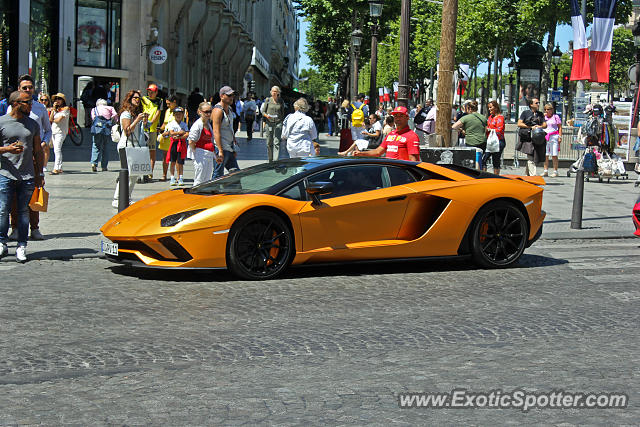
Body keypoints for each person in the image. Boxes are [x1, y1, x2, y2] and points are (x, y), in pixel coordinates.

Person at [0, 91, 45, 262]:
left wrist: (40, 173)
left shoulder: (32, 124)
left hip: (27, 176)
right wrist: (7, 149)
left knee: (24, 212)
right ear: (16, 103)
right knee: (3, 210)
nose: (31, 105)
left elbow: (38, 150)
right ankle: (2, 242)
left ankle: (22, 245)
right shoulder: (2, 122)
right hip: (5, 174)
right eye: (28, 102)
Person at [6, 74, 52, 241]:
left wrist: (44, 143)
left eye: (30, 88)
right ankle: (15, 228)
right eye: (24, 88)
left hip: (34, 155)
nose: (27, 90)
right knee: (13, 196)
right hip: (15, 156)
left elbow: (48, 129)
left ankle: (35, 227)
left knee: (34, 192)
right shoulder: (10, 107)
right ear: (19, 89)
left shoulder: (39, 108)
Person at [112, 90, 147, 209]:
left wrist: (143, 122)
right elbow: (127, 131)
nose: (137, 100)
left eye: (139, 98)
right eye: (135, 98)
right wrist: (137, 120)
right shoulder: (126, 114)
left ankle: (126, 197)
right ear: (129, 99)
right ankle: (118, 199)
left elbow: (140, 132)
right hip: (126, 145)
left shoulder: (135, 113)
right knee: (126, 173)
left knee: (134, 174)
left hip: (135, 145)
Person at [353, 106, 420, 161]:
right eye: (396, 116)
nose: (398, 119)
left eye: (401, 116)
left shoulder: (412, 136)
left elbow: (413, 161)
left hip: (402, 175)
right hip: (388, 174)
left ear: (407, 117)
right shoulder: (391, 134)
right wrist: (361, 153)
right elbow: (378, 152)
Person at [212, 86, 239, 179]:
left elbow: (230, 128)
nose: (232, 97)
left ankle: (234, 192)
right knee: (217, 174)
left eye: (232, 95)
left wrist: (234, 144)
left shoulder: (230, 110)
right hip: (221, 148)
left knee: (236, 174)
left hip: (229, 147)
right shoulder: (217, 111)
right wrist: (220, 150)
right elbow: (216, 131)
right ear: (222, 96)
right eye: (229, 95)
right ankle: (211, 192)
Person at [188, 102, 216, 186]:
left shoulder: (208, 124)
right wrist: (196, 152)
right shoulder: (197, 125)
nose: (208, 114)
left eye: (210, 111)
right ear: (199, 112)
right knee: (199, 180)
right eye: (206, 112)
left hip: (209, 154)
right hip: (201, 154)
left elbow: (210, 141)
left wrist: (215, 156)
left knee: (207, 180)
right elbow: (191, 141)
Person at [516, 98, 547, 176]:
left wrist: (538, 126)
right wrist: (529, 127)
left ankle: (527, 174)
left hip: (537, 138)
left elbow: (545, 125)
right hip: (527, 137)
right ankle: (533, 175)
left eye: (538, 102)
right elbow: (519, 123)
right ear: (531, 104)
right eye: (536, 103)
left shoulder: (540, 114)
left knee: (533, 155)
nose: (538, 104)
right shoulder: (525, 113)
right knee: (530, 155)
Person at [452, 100, 487, 167]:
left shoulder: (466, 118)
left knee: (472, 161)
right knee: (480, 160)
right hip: (483, 142)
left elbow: (454, 127)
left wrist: (461, 130)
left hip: (471, 142)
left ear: (469, 108)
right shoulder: (483, 117)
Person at [141, 83, 163, 181]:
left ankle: (150, 172)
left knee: (152, 151)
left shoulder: (159, 101)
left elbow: (158, 112)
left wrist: (151, 122)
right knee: (142, 151)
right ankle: (142, 172)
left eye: (152, 92)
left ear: (156, 92)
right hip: (143, 128)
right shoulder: (143, 99)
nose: (150, 93)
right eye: (149, 91)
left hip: (153, 129)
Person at [90, 98, 117, 172]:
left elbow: (93, 118)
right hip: (107, 129)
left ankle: (94, 163)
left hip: (97, 129)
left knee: (95, 145)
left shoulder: (94, 109)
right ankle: (104, 166)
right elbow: (115, 116)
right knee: (106, 147)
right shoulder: (110, 108)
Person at [164, 106, 189, 186]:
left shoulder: (184, 124)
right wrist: (181, 132)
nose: (178, 116)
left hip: (181, 144)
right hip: (174, 144)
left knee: (180, 162)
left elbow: (187, 134)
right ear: (174, 115)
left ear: (182, 115)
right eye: (176, 114)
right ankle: (172, 177)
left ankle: (180, 177)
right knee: (173, 161)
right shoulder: (171, 123)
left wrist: (179, 135)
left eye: (180, 114)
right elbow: (171, 133)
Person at [157, 95, 179, 181]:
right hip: (166, 137)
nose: (168, 105)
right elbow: (164, 123)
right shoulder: (167, 111)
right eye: (167, 104)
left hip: (175, 137)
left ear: (174, 102)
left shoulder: (179, 111)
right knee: (165, 156)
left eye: (169, 104)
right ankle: (164, 175)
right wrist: (160, 129)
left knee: (176, 157)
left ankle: (177, 176)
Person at [260, 86, 285, 162]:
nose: (274, 93)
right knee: (269, 142)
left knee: (277, 141)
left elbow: (282, 112)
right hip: (269, 123)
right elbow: (263, 112)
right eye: (273, 91)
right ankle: (270, 159)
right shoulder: (268, 100)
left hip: (278, 123)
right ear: (271, 92)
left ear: (278, 93)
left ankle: (275, 160)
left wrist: (281, 122)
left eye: (275, 91)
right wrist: (266, 116)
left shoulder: (281, 101)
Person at [48, 93, 70, 175]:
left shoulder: (66, 109)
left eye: (59, 99)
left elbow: (58, 120)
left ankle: (56, 168)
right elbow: (50, 119)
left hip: (61, 132)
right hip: (54, 130)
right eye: (56, 99)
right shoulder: (56, 110)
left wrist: (54, 118)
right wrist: (53, 109)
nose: (57, 101)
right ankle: (59, 167)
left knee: (57, 149)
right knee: (56, 149)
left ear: (63, 100)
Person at [483, 100, 506, 175]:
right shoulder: (490, 117)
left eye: (490, 107)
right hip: (490, 141)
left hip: (498, 141)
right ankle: (483, 176)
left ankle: (496, 177)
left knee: (496, 160)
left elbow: (500, 129)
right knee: (484, 159)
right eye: (488, 107)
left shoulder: (500, 118)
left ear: (495, 108)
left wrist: (490, 130)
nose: (489, 109)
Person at [542, 103, 562, 177]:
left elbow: (560, 127)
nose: (547, 111)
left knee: (554, 154)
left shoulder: (556, 117)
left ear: (552, 110)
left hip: (554, 136)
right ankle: (545, 170)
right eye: (545, 109)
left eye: (548, 109)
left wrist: (560, 136)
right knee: (546, 154)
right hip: (546, 136)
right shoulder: (544, 117)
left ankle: (555, 171)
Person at [38, 93, 52, 170]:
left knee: (46, 148)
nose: (44, 101)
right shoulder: (37, 108)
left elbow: (51, 120)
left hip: (47, 129)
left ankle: (44, 165)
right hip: (40, 130)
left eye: (45, 100)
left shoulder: (50, 109)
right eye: (42, 100)